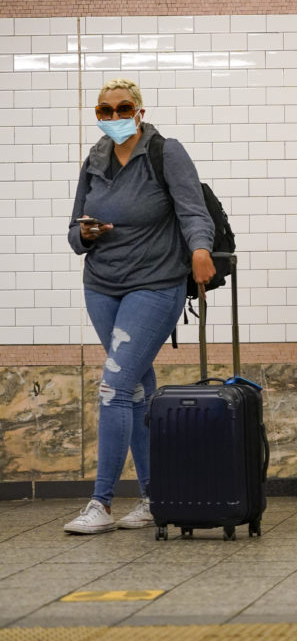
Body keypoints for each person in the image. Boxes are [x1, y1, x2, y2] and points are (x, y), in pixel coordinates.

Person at [63, 78, 215, 533]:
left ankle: (101, 503)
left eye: (122, 108)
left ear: (140, 111)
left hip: (155, 285)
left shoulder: (165, 152)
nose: (113, 117)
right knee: (133, 390)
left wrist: (201, 250)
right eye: (104, 111)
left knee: (112, 387)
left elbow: (193, 211)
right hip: (102, 284)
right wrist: (85, 234)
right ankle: (153, 497)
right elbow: (73, 233)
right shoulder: (94, 160)